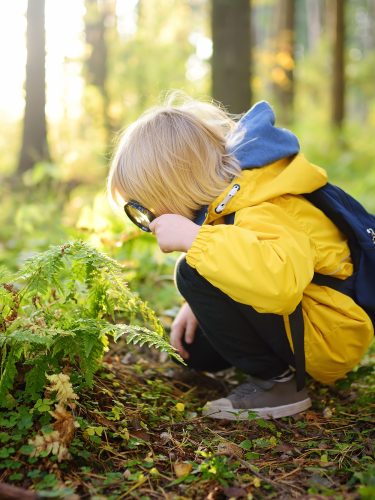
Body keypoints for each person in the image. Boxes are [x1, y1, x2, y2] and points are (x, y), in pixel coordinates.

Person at [107, 94, 373, 420]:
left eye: (144, 208)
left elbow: (280, 283)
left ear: (174, 187)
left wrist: (195, 241)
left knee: (190, 272)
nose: (146, 220)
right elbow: (244, 254)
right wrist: (198, 303)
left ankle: (278, 386)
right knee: (196, 350)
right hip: (310, 318)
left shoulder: (262, 201)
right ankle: (264, 366)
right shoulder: (230, 197)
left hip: (328, 333)